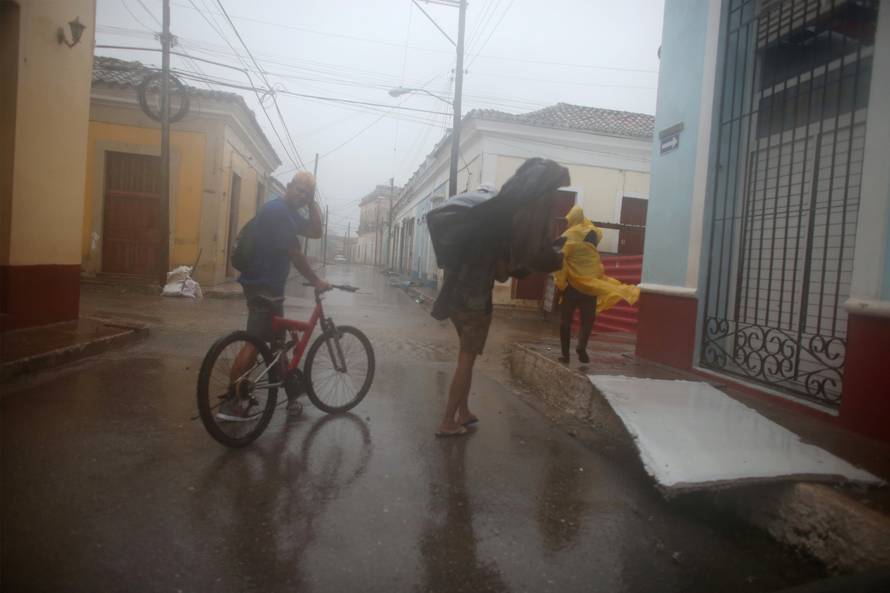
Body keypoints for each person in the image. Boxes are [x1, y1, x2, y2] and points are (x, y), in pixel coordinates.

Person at [218, 171, 331, 422]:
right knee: (254, 341)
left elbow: (315, 231)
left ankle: (291, 396)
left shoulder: (289, 213)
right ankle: (232, 400)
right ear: (288, 187)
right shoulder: (278, 212)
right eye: (299, 190)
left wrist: (312, 203)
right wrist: (316, 281)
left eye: (307, 193)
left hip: (272, 288)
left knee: (278, 343)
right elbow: (295, 253)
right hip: (261, 285)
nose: (302, 196)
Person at [553, 205, 640, 364]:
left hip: (573, 285)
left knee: (565, 321)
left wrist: (560, 284)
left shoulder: (567, 235)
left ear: (571, 218)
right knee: (588, 319)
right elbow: (592, 251)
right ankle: (581, 346)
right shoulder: (592, 232)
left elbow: (560, 259)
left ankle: (565, 355)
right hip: (591, 285)